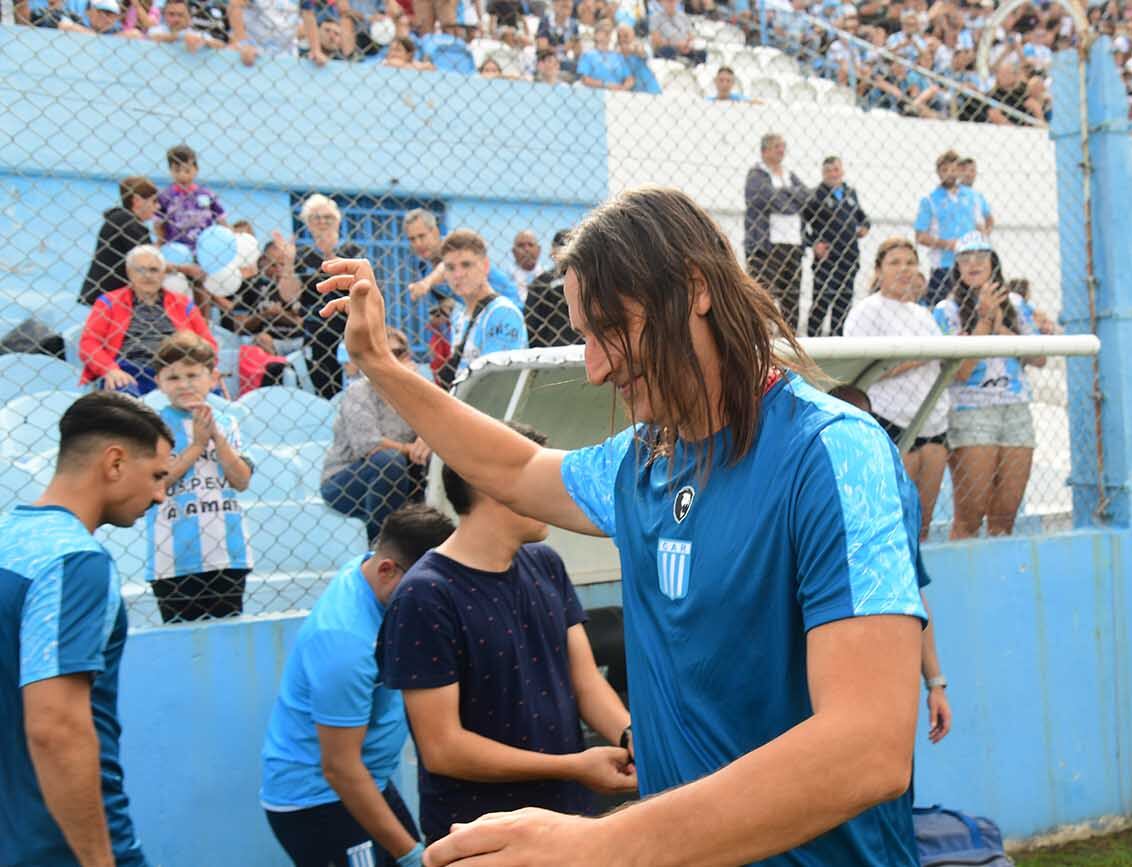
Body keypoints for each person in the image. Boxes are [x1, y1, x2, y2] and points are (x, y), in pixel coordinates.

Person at [317, 185, 927, 866]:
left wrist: (603, 844)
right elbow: (514, 468)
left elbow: (867, 749)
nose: (597, 366)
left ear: (694, 287)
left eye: (613, 327)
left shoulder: (833, 452)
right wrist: (380, 364)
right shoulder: (643, 460)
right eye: (584, 336)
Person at [377, 423, 637, 844]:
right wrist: (572, 765)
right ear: (494, 483)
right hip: (480, 834)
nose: (560, 493)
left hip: (569, 822)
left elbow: (586, 684)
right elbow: (444, 748)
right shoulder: (425, 595)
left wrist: (632, 739)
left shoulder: (545, 563)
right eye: (541, 478)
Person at [0, 392, 173, 867]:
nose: (161, 495)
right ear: (114, 462)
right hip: (55, 845)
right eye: (157, 475)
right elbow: (56, 728)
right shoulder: (75, 562)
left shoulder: (8, 538)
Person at [261, 506, 456, 867]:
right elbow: (340, 769)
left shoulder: (371, 574)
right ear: (386, 570)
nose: (432, 601)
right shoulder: (346, 643)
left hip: (370, 779)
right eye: (424, 588)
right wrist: (409, 855)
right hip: (321, 800)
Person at [825, 384, 951, 744]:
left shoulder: (900, 495)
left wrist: (936, 683)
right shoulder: (807, 493)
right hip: (834, 674)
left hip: (887, 670)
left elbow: (912, 591)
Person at [933, 233, 1045, 540]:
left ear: (993, 263)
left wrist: (999, 327)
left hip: (1015, 407)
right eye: (964, 259)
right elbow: (961, 370)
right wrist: (983, 320)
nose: (973, 264)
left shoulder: (1017, 304)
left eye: (981, 258)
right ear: (956, 267)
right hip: (971, 411)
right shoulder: (946, 311)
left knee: (1005, 514)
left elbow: (1039, 356)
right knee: (970, 515)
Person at [842, 238, 950, 541]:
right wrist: (919, 357)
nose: (904, 269)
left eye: (910, 262)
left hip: (932, 421)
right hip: (891, 421)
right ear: (878, 271)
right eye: (895, 263)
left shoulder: (924, 315)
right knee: (893, 524)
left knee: (922, 526)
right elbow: (859, 370)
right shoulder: (866, 312)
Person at [147, 331, 254, 622]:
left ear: (213, 377)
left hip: (228, 553)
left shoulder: (228, 422)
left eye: (193, 375)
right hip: (175, 559)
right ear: (159, 382)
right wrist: (196, 446)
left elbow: (241, 480)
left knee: (229, 633)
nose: (184, 384)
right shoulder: (152, 424)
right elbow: (157, 483)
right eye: (173, 378)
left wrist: (216, 439)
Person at [322, 328, 430, 543]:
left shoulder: (415, 390)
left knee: (438, 458)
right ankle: (382, 542)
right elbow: (369, 446)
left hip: (403, 474)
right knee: (387, 460)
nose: (389, 359)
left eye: (397, 353)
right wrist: (411, 449)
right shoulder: (359, 392)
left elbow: (437, 426)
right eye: (381, 352)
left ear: (407, 357)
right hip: (347, 478)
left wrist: (426, 440)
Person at [79, 244, 217, 395]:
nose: (148, 276)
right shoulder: (109, 302)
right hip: (128, 369)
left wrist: (206, 369)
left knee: (212, 391)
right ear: (129, 273)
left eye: (154, 270)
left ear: (163, 273)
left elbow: (208, 343)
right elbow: (89, 343)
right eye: (140, 270)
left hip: (177, 371)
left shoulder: (182, 303)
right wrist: (110, 369)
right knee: (123, 396)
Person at [285, 194, 365, 398]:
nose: (322, 222)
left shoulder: (351, 250)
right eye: (315, 217)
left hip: (348, 328)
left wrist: (330, 252)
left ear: (337, 221)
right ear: (307, 224)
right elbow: (289, 297)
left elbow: (360, 286)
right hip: (315, 331)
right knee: (320, 389)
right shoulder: (302, 255)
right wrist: (287, 262)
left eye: (327, 217)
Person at [435, 229, 527, 387]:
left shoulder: (501, 313)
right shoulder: (459, 316)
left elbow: (495, 384)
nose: (458, 274)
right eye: (450, 267)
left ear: (485, 266)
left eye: (466, 265)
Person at [744, 133, 811, 332]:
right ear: (764, 151)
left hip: (792, 245)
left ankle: (790, 337)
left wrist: (784, 198)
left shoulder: (789, 174)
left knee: (791, 297)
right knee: (763, 297)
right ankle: (760, 337)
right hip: (766, 247)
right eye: (776, 147)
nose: (781, 150)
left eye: (782, 146)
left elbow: (806, 197)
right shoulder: (756, 174)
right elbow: (765, 199)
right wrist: (791, 198)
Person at [801, 156, 870, 337]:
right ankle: (813, 344)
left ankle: (839, 342)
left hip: (849, 258)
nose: (833, 174)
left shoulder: (850, 193)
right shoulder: (815, 196)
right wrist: (813, 244)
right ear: (823, 174)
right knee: (821, 303)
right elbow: (801, 223)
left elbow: (863, 217)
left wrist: (864, 227)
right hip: (827, 260)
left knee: (844, 304)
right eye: (828, 171)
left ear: (842, 171)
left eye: (836, 169)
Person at [915, 149, 983, 308]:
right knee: (941, 308)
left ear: (959, 170)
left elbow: (980, 226)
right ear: (938, 172)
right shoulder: (930, 200)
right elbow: (920, 236)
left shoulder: (972, 197)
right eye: (945, 170)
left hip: (970, 264)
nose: (949, 174)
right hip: (944, 266)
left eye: (953, 169)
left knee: (971, 309)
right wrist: (948, 244)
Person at [81, 176, 158, 306]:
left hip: (107, 292)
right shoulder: (128, 223)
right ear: (137, 201)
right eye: (154, 201)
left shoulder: (121, 220)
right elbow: (149, 261)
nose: (157, 207)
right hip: (112, 293)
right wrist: (183, 268)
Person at [157, 143, 227, 252]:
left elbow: (221, 221)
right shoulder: (165, 197)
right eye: (177, 170)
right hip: (175, 250)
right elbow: (159, 225)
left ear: (196, 169)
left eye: (187, 170)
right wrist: (160, 244)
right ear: (170, 171)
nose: (182, 176)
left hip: (204, 250)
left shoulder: (207, 195)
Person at [577, 20, 634, 91]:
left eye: (609, 31)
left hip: (617, 95)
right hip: (596, 94)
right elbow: (584, 79)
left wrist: (622, 88)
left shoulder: (619, 57)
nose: (607, 32)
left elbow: (630, 79)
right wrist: (606, 85)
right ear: (596, 35)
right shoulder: (588, 55)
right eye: (603, 30)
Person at [956, 157, 994, 235]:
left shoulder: (978, 196)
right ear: (958, 172)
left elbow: (990, 219)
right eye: (964, 170)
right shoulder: (953, 192)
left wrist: (985, 233)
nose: (968, 174)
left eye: (972, 170)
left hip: (976, 242)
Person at [509, 229, 543, 299]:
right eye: (521, 245)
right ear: (513, 251)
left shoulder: (548, 275)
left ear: (539, 249)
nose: (526, 249)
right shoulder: (507, 278)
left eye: (531, 245)